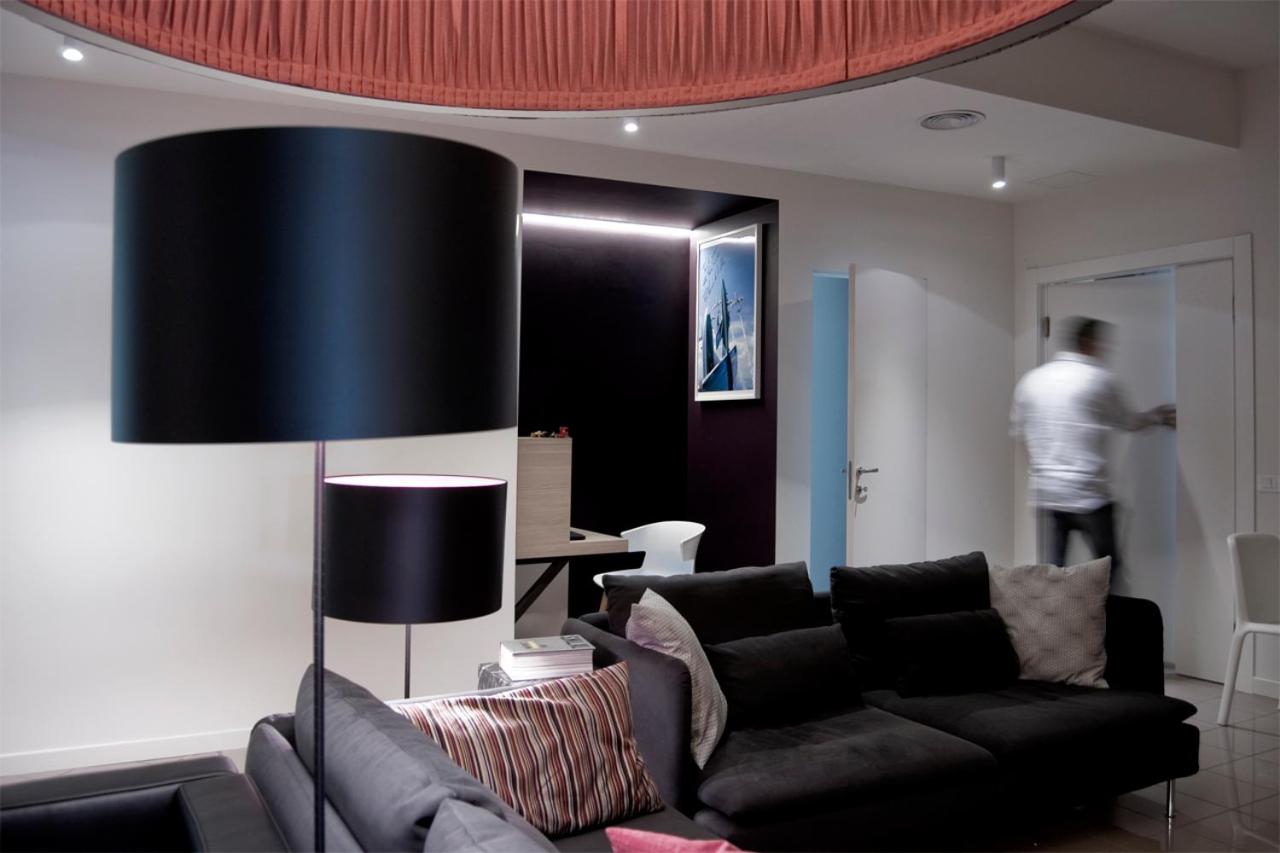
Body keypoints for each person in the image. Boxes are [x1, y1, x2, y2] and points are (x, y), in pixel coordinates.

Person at [1010, 317, 1175, 576]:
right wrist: (1157, 417)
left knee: (1054, 573)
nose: (1104, 350)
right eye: (1102, 344)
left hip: (1048, 492)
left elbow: (1020, 434)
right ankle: (1103, 605)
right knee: (1107, 571)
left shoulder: (1031, 380)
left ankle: (1058, 604)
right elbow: (1128, 421)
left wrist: (1039, 471)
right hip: (1089, 493)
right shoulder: (1099, 379)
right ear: (1089, 342)